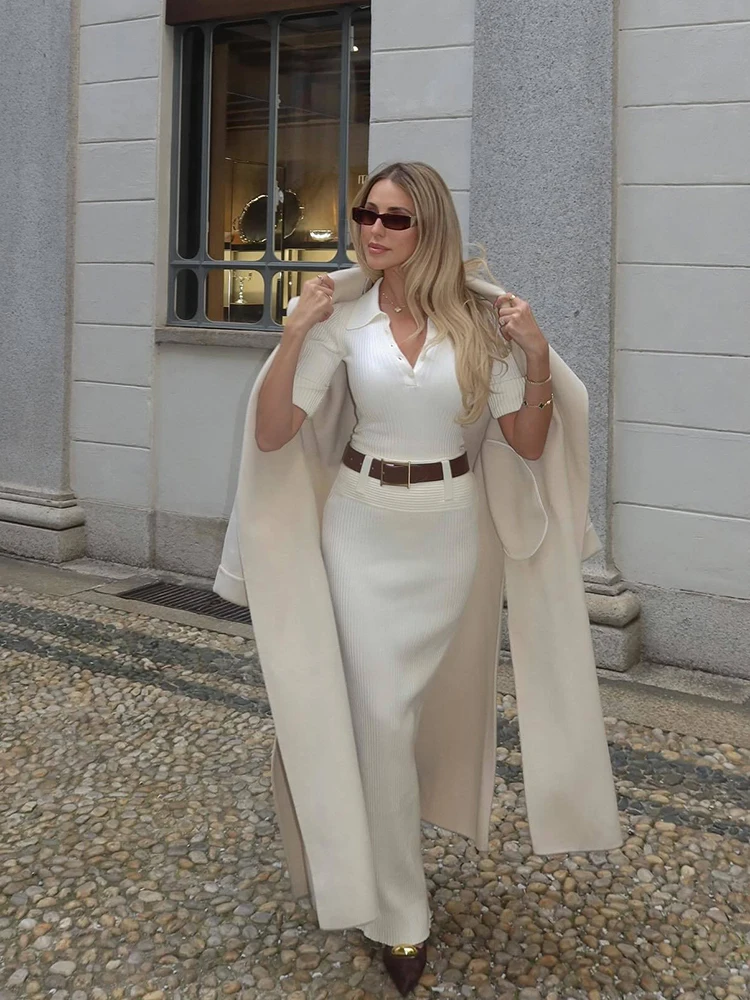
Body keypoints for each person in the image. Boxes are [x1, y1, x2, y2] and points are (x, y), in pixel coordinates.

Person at [251, 161, 556, 993]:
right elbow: (274, 432)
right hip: (358, 526)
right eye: (366, 214)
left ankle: (366, 859)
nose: (373, 230)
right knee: (381, 718)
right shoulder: (341, 321)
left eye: (394, 218)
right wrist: (292, 334)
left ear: (430, 229)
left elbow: (527, 442)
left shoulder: (479, 324)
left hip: (448, 533)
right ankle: (398, 910)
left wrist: (534, 356)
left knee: (401, 722)